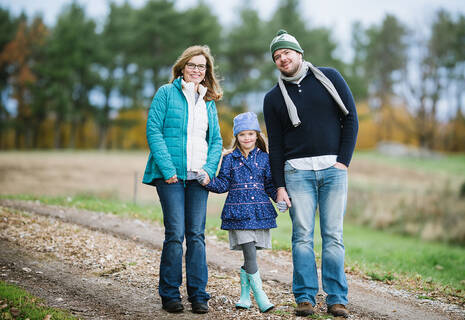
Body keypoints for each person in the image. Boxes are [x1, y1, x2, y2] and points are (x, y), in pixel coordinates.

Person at [263, 30, 359, 318]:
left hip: (333, 170)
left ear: (299, 52)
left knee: (333, 235)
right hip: (297, 173)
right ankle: (304, 298)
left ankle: (336, 299)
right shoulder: (272, 98)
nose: (283, 59)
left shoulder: (329, 77)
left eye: (286, 53)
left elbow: (351, 118)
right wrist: (279, 186)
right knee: (302, 236)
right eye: (277, 57)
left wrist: (343, 162)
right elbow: (276, 146)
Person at [142, 45, 223, 314]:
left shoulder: (208, 101)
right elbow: (153, 130)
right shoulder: (166, 93)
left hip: (198, 178)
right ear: (182, 67)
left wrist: (210, 170)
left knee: (197, 236)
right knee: (175, 235)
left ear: (206, 72)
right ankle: (169, 293)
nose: (197, 70)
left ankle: (199, 295)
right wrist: (168, 169)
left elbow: (216, 141)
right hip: (172, 178)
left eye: (202, 67)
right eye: (193, 65)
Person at [198, 112, 279, 313]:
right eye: (242, 134)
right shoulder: (230, 158)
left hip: (260, 212)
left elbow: (269, 184)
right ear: (237, 137)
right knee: (250, 254)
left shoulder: (265, 158)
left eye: (251, 133)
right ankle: (261, 296)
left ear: (257, 134)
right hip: (238, 213)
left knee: (250, 255)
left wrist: (280, 197)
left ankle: (244, 296)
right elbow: (224, 183)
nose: (247, 138)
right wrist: (208, 182)